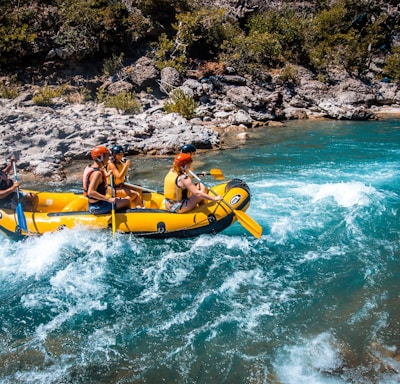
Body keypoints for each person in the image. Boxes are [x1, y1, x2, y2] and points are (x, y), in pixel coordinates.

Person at [83, 146, 130, 214]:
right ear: (100, 158)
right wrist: (108, 199)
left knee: (124, 199)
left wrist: (107, 174)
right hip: (98, 207)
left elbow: (93, 179)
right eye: (107, 156)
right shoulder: (97, 173)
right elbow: (91, 192)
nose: (108, 159)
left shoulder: (90, 167)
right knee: (127, 201)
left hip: (94, 204)